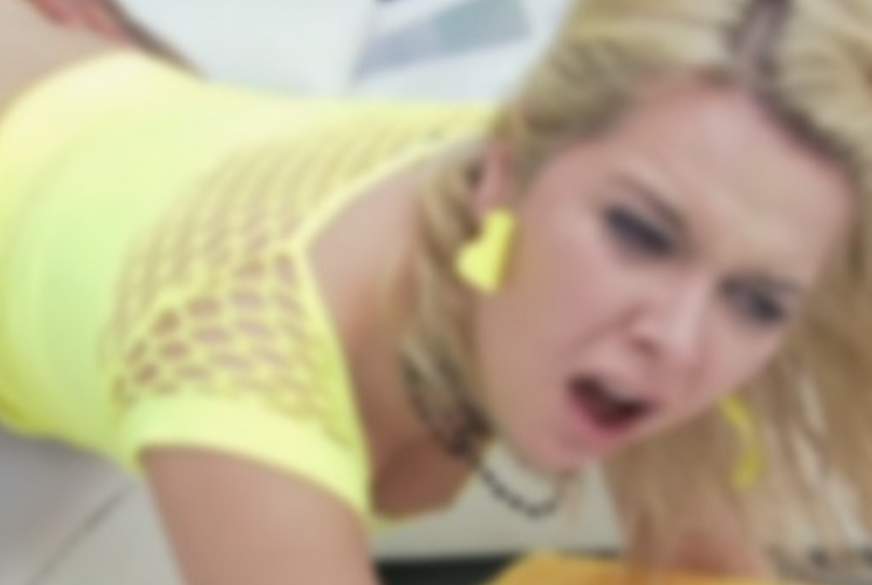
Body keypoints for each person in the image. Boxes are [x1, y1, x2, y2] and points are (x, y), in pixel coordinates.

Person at [1, 0, 870, 582]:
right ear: (504, 172)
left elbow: (703, 566)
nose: (678, 338)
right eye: (640, 234)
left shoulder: (666, 233)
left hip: (96, 97)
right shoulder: (241, 371)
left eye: (759, 300)